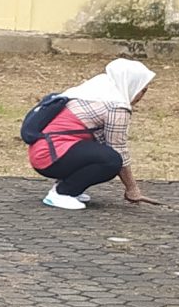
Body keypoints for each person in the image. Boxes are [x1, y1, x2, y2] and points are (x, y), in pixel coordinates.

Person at [30, 57, 161, 210]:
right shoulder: (117, 106)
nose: (142, 96)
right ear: (131, 85)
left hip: (43, 151)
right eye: (142, 90)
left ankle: (67, 187)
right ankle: (62, 193)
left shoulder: (98, 87)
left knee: (100, 151)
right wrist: (132, 189)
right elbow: (118, 148)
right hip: (50, 157)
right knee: (111, 160)